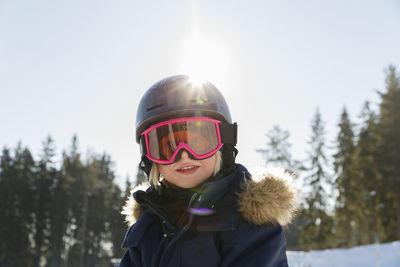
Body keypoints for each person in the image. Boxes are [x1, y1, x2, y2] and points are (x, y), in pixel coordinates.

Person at [119, 75, 297, 267]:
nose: (184, 155)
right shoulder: (148, 228)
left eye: (198, 142)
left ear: (223, 145)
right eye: (167, 147)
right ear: (150, 158)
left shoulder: (251, 222)